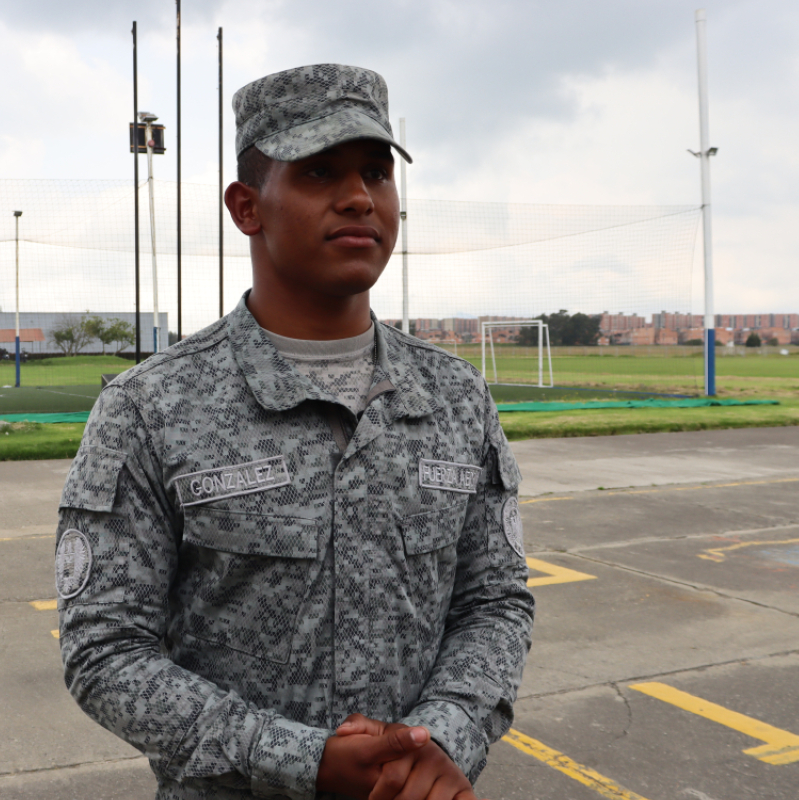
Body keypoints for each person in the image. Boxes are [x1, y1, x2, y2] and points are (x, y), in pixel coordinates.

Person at [57, 63, 534, 800]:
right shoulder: (150, 408)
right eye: (318, 172)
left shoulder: (455, 397)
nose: (358, 198)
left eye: (377, 173)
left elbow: (494, 601)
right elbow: (106, 650)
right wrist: (295, 758)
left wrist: (444, 737)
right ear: (247, 207)